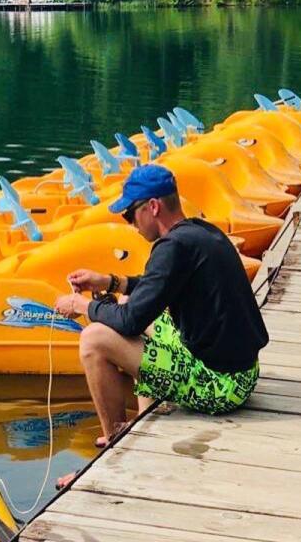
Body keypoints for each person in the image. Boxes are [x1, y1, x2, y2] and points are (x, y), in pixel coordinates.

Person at [54, 164, 269, 487]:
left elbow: (130, 323)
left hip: (222, 386)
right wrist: (110, 282)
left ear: (152, 207)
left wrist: (83, 306)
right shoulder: (198, 232)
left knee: (94, 338)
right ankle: (144, 418)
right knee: (128, 304)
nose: (131, 225)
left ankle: (115, 449)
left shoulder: (172, 248)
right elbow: (155, 287)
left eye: (130, 215)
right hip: (241, 371)